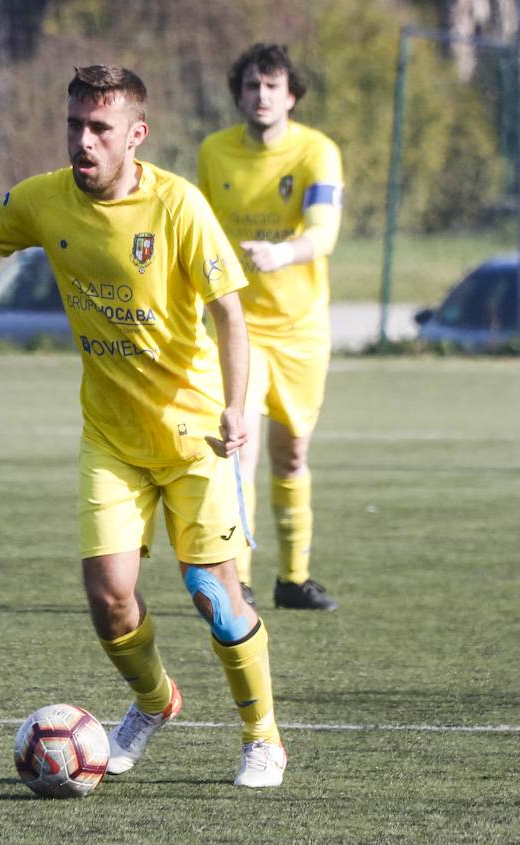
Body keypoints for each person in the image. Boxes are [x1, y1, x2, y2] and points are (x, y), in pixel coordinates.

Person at [0, 64, 286, 787]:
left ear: (136, 136)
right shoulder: (45, 201)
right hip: (111, 438)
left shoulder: (178, 206)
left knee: (215, 597)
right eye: (74, 126)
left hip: (196, 439)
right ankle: (155, 703)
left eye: (99, 130)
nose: (82, 143)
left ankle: (263, 736)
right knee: (110, 596)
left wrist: (236, 405)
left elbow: (231, 313)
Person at [197, 43, 344, 612]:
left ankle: (294, 579)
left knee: (292, 455)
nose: (261, 96)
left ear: (292, 95)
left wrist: (282, 255)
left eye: (272, 86)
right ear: (239, 93)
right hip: (238, 327)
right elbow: (198, 229)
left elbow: (325, 232)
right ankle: (242, 578)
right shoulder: (214, 152)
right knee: (240, 450)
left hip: (302, 329)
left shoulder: (317, 151)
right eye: (252, 86)